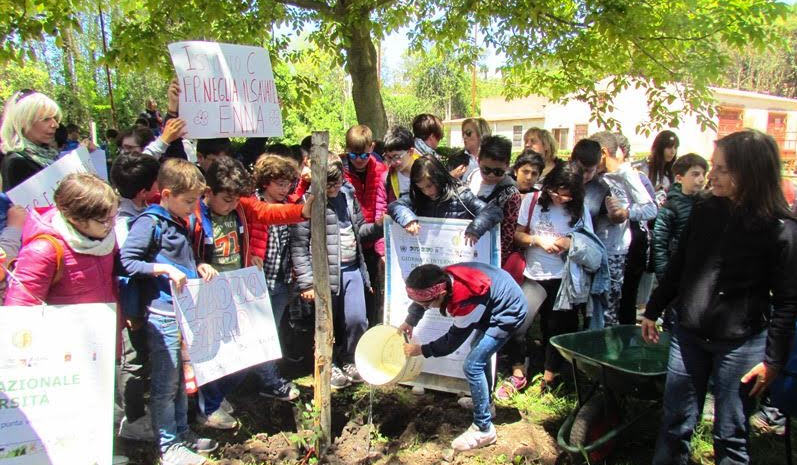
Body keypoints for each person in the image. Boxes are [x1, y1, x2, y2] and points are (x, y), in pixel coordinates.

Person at [641, 129, 797, 465]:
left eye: (722, 168)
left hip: (741, 345)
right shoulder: (705, 209)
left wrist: (773, 361)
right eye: (713, 166)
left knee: (730, 434)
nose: (712, 175)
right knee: (674, 424)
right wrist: (652, 310)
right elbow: (681, 264)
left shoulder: (781, 228)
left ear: (751, 172)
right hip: (689, 335)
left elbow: (787, 301)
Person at [191, 157, 311, 429]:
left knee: (247, 353)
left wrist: (302, 212)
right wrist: (197, 265)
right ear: (208, 193)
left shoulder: (242, 207)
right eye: (227, 200)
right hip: (207, 294)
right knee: (213, 355)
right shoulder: (195, 215)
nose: (232, 205)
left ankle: (215, 398)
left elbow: (267, 212)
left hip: (239, 289)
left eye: (236, 199)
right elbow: (184, 250)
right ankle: (207, 407)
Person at [120, 159, 216, 465]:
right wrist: (161, 268)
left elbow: (185, 257)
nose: (193, 207)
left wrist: (199, 265)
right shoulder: (150, 223)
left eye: (196, 201)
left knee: (177, 379)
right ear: (166, 195)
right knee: (164, 383)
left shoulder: (179, 220)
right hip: (161, 314)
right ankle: (168, 445)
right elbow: (127, 261)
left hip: (182, 311)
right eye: (188, 201)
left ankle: (181, 432)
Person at [399, 262, 528, 451]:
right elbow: (421, 298)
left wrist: (421, 350)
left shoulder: (465, 301)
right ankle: (486, 404)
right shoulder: (440, 278)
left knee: (473, 365)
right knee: (477, 352)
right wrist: (410, 321)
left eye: (426, 305)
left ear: (441, 295)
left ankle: (484, 429)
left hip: (507, 311)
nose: (424, 307)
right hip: (490, 301)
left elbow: (450, 343)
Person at [291, 158, 379, 389]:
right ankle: (328, 365)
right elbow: (299, 246)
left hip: (352, 269)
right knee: (326, 324)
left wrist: (378, 226)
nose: (333, 188)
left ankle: (350, 359)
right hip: (324, 274)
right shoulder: (308, 202)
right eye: (328, 185)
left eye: (337, 182)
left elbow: (360, 230)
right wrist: (307, 283)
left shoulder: (348, 195)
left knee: (357, 319)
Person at [513, 164, 589, 390]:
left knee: (555, 327)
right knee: (519, 322)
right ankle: (519, 369)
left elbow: (588, 241)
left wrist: (568, 243)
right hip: (533, 273)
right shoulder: (532, 201)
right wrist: (536, 240)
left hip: (563, 277)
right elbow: (517, 235)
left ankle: (550, 377)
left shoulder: (579, 208)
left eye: (567, 196)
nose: (561, 199)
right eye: (556, 193)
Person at [109, 152, 161, 441]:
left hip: (142, 300)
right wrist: (132, 313)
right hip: (133, 304)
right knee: (134, 360)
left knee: (141, 357)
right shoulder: (125, 222)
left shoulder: (139, 210)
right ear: (144, 191)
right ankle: (133, 419)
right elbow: (126, 271)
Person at [587, 131, 656, 327]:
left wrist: (626, 213)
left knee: (609, 308)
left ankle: (606, 350)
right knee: (590, 309)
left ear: (603, 152)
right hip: (591, 249)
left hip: (614, 252)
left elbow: (651, 208)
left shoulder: (627, 175)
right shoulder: (594, 176)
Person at [387, 156, 502, 246]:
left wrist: (475, 228)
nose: (427, 191)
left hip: (457, 257)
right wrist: (408, 219)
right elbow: (395, 206)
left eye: (430, 185)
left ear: (439, 178)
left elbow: (494, 211)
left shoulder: (461, 196)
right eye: (421, 188)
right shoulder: (418, 197)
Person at [343, 124, 387, 326]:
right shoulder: (340, 172)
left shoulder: (382, 171)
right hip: (350, 245)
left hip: (376, 243)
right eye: (353, 156)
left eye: (364, 156)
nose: (359, 161)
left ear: (372, 148)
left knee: (374, 297)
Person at [651, 154, 708, 282]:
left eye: (703, 174)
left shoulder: (705, 203)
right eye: (695, 174)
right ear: (679, 178)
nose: (701, 179)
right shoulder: (670, 206)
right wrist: (664, 275)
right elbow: (659, 242)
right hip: (677, 269)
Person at [468, 135, 521, 265]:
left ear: (507, 166)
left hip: (489, 257)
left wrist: (496, 265)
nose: (491, 175)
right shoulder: (471, 178)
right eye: (486, 170)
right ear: (478, 160)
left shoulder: (511, 194)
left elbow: (506, 238)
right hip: (464, 249)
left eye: (498, 172)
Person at [0, 90, 62, 190]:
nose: (55, 125)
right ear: (23, 123)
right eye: (46, 119)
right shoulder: (16, 162)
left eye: (55, 118)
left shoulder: (49, 154)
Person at [383, 125, 420, 204]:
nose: (392, 162)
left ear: (410, 152)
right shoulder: (388, 177)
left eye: (396, 157)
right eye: (389, 157)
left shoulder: (427, 171)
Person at [646, 130, 680, 205]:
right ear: (659, 147)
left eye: (675, 147)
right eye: (669, 147)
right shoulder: (645, 168)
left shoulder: (674, 171)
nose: (673, 151)